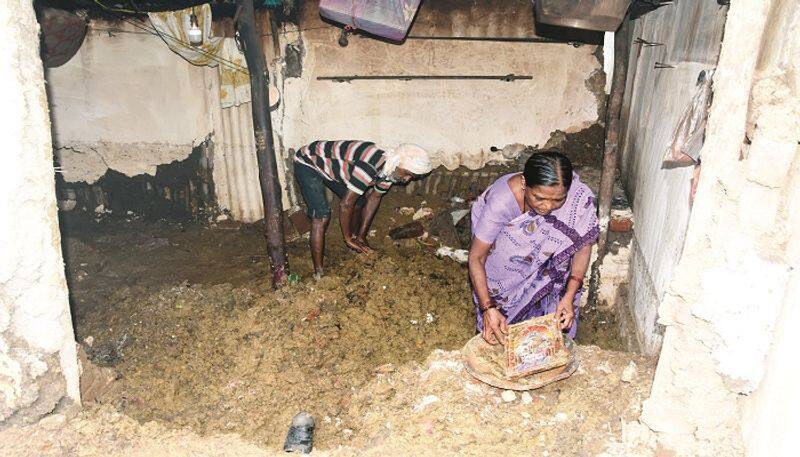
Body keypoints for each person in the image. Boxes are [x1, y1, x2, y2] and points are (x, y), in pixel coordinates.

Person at [468, 151, 599, 345]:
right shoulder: (502, 201)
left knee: (546, 337)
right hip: (503, 267)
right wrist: (488, 308)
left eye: (557, 200)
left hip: (547, 273)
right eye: (539, 198)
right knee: (497, 322)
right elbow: (476, 258)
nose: (547, 207)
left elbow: (582, 246)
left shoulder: (577, 200)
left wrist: (569, 295)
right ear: (523, 183)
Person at [293, 140, 432, 278]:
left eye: (411, 177)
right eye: (407, 173)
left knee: (359, 201)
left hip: (331, 167)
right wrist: (346, 238)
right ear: (398, 164)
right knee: (321, 216)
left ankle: (355, 241)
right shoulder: (371, 165)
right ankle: (319, 272)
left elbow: (374, 198)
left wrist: (362, 236)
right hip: (308, 161)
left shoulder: (390, 169)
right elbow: (345, 205)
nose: (407, 179)